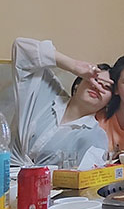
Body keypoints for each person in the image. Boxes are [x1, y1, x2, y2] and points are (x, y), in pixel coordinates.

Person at [10, 37, 112, 166]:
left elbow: (89, 175)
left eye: (106, 87)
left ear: (108, 102)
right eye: (95, 80)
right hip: (2, 172)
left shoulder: (95, 136)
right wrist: (73, 66)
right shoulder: (48, 92)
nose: (97, 87)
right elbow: (22, 48)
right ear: (77, 84)